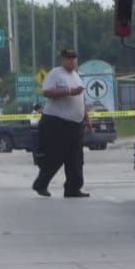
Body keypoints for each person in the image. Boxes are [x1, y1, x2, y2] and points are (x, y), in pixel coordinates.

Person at [32, 48, 92, 198]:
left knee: (76, 158)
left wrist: (87, 119)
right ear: (62, 60)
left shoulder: (76, 76)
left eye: (74, 58)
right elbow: (46, 92)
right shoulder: (55, 74)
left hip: (75, 124)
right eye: (69, 58)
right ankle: (41, 184)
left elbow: (80, 100)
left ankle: (73, 188)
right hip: (57, 122)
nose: (72, 61)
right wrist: (69, 91)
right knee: (55, 156)